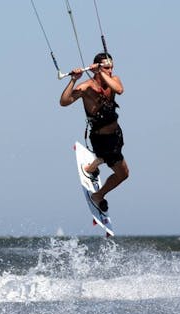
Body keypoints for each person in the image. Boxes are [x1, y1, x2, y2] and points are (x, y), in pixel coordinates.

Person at [59, 52, 129, 213]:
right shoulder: (87, 87)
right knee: (123, 174)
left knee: (112, 158)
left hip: (116, 134)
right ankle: (98, 196)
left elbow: (119, 90)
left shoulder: (114, 81)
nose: (110, 71)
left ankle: (91, 168)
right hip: (101, 138)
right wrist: (73, 80)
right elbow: (64, 102)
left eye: (111, 67)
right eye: (106, 67)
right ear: (97, 67)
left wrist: (101, 72)